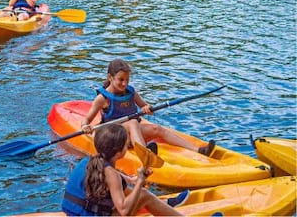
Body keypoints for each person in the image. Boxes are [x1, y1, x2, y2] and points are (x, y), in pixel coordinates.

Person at [80, 58, 216, 157]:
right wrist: (85, 126)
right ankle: (145, 155)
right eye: (121, 79)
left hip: (131, 131)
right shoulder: (102, 99)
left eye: (127, 80)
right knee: (133, 122)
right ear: (110, 77)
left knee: (158, 129)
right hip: (113, 135)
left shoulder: (131, 92)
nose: (124, 83)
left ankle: (198, 150)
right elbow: (86, 120)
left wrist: (147, 108)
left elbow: (145, 107)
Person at [61, 123, 186, 216]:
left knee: (126, 190)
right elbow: (124, 211)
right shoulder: (111, 174)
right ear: (119, 152)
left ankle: (163, 203)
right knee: (143, 195)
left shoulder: (88, 161)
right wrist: (140, 183)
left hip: (73, 214)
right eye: (127, 145)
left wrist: (134, 180)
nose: (128, 146)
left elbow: (116, 180)